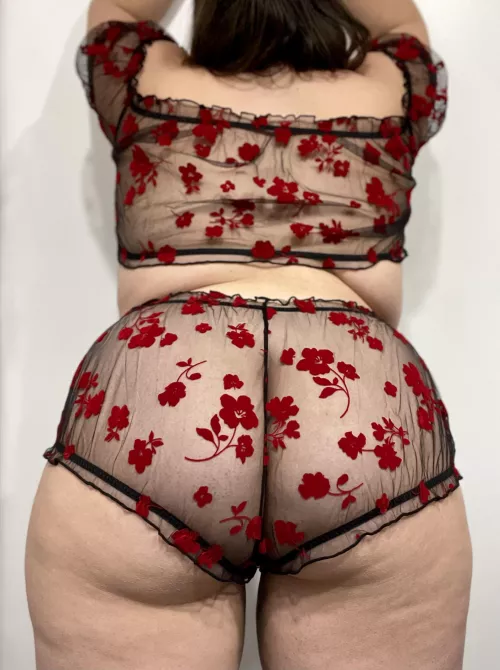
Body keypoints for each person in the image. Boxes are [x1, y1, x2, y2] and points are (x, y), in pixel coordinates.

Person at [25, 1, 473, 668]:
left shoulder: (147, 78)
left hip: (160, 403)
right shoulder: (392, 87)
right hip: (360, 410)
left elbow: (115, 8)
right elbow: (402, 25)